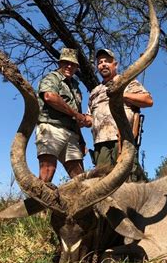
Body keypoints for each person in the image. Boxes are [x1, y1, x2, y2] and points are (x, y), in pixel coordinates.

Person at [86, 48, 153, 179]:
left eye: (107, 61)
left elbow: (148, 100)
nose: (103, 64)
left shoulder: (127, 82)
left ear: (115, 65)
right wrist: (81, 119)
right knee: (102, 183)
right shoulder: (95, 92)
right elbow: (89, 118)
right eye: (100, 62)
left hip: (122, 141)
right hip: (100, 144)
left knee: (127, 183)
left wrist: (121, 94)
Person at [35, 48, 91, 182]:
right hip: (51, 127)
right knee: (47, 171)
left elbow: (74, 117)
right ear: (60, 63)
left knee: (80, 178)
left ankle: (80, 203)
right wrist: (77, 115)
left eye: (73, 64)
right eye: (66, 62)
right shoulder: (52, 78)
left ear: (77, 66)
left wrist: (81, 140)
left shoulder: (76, 87)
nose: (69, 66)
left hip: (71, 134)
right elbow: (49, 97)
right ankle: (37, 203)